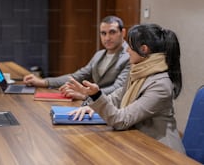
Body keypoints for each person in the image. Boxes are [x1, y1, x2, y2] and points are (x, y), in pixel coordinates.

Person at [67, 23, 185, 153]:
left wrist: (96, 96)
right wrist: (91, 104)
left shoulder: (160, 85)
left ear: (144, 49)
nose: (127, 50)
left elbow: (121, 121)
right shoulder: (138, 71)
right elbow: (116, 97)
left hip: (162, 152)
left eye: (130, 46)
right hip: (139, 144)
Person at [23, 15, 130, 101]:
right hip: (94, 105)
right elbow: (76, 76)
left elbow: (117, 89)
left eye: (112, 32)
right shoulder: (99, 54)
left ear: (123, 33)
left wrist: (86, 94)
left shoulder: (129, 56)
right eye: (103, 33)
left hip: (112, 108)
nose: (107, 38)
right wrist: (43, 82)